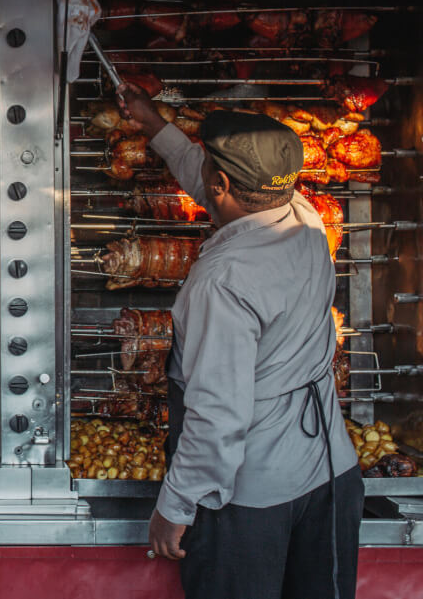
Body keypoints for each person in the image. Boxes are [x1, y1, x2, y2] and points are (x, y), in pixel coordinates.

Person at [117, 83, 363, 599]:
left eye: (209, 171)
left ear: (223, 184)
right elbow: (219, 186)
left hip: (251, 498)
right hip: (332, 475)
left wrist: (175, 508)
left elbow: (218, 413)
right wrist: (154, 126)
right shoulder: (303, 216)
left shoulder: (222, 282)